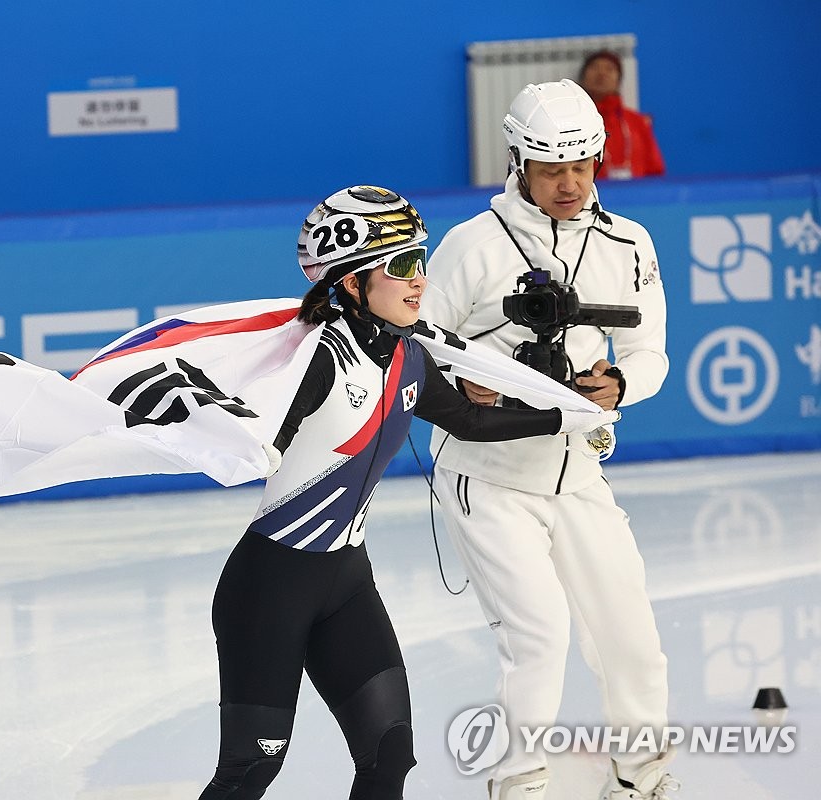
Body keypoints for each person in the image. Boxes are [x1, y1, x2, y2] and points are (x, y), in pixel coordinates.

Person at [199, 185, 615, 800]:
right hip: (270, 586)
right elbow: (261, 429)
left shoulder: (409, 353)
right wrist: (242, 435)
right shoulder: (316, 357)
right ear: (349, 281)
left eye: (419, 261)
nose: (419, 280)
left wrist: (566, 414)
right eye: (399, 266)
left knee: (389, 756)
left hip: (345, 584)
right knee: (251, 771)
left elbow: (469, 422)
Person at [417, 81, 676, 800]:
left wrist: (621, 387)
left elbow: (651, 351)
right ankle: (520, 784)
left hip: (580, 475)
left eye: (582, 167)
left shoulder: (628, 243)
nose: (568, 184)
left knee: (631, 643)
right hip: (488, 477)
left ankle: (642, 778)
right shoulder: (472, 245)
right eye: (550, 168)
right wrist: (464, 382)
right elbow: (417, 349)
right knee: (539, 636)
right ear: (518, 164)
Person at [577, 50, 665, 180]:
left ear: (618, 81)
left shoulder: (637, 122)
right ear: (583, 78)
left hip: (638, 195)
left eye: (610, 69)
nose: (602, 74)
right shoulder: (574, 123)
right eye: (595, 67)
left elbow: (656, 170)